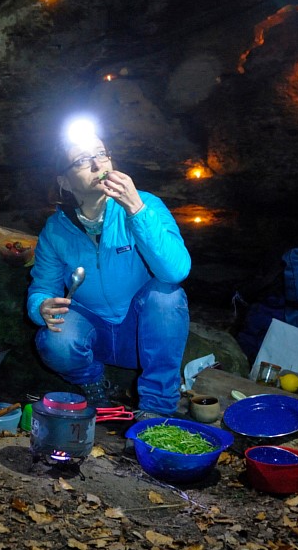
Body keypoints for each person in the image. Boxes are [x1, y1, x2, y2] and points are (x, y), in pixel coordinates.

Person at [26, 118, 191, 416]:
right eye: (81, 160)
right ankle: (95, 384)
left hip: (141, 330)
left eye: (101, 154)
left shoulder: (145, 205)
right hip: (94, 331)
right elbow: (42, 287)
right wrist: (41, 307)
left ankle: (157, 407)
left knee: (167, 295)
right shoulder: (56, 230)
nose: (96, 164)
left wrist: (135, 210)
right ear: (64, 182)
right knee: (54, 338)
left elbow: (176, 271)